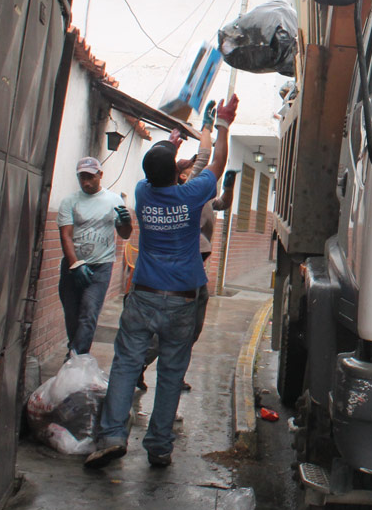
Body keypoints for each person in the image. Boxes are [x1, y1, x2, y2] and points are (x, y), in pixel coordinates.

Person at [85, 96, 238, 469]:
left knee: (125, 363)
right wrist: (223, 125)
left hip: (143, 296)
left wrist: (172, 150)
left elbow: (162, 170)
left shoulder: (142, 192)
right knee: (171, 372)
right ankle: (158, 446)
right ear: (176, 173)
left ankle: (112, 436)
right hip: (183, 298)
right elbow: (216, 163)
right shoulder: (190, 195)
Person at [57, 156, 132, 356]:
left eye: (90, 177)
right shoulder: (70, 201)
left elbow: (125, 234)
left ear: (100, 175)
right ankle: (74, 353)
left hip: (100, 266)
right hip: (73, 266)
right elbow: (66, 236)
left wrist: (126, 223)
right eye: (82, 177)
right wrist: (76, 265)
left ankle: (76, 359)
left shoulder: (114, 200)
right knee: (72, 314)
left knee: (89, 313)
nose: (86, 182)